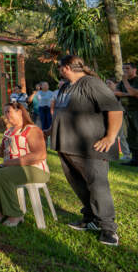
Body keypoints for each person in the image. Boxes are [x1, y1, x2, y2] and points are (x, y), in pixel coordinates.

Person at [51, 55, 123, 246]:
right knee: (79, 185)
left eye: (59, 67)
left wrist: (110, 137)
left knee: (97, 186)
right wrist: (50, 131)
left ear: (66, 67)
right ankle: (90, 218)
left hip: (89, 147)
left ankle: (108, 228)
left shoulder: (91, 83)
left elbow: (115, 109)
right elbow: (61, 112)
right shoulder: (66, 87)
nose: (58, 70)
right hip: (66, 145)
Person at [0, 102, 49, 228]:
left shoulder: (32, 130)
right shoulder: (8, 132)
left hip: (36, 170)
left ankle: (15, 214)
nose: (6, 115)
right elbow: (1, 152)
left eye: (8, 112)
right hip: (14, 167)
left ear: (20, 112)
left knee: (2, 174)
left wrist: (11, 163)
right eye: (4, 112)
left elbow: (40, 155)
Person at [114, 62, 138, 166]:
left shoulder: (136, 80)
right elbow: (115, 93)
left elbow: (134, 93)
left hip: (136, 111)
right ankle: (135, 159)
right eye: (123, 69)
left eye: (127, 68)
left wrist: (125, 82)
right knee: (129, 135)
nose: (125, 71)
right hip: (126, 111)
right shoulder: (121, 83)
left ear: (134, 70)